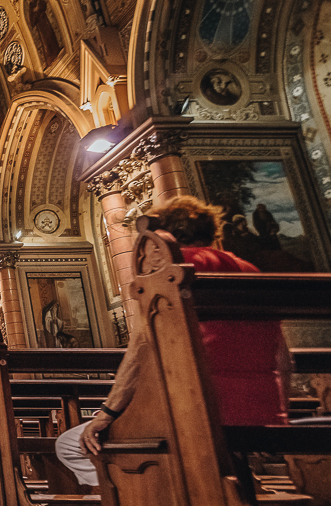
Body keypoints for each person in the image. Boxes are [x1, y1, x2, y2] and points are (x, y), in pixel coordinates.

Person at [55, 196, 290, 488]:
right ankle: (228, 489)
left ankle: (149, 504)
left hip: (190, 409)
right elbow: (283, 355)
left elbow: (143, 347)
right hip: (259, 409)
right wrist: (279, 408)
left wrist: (107, 413)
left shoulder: (170, 271)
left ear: (159, 238)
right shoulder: (248, 268)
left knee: (71, 445)